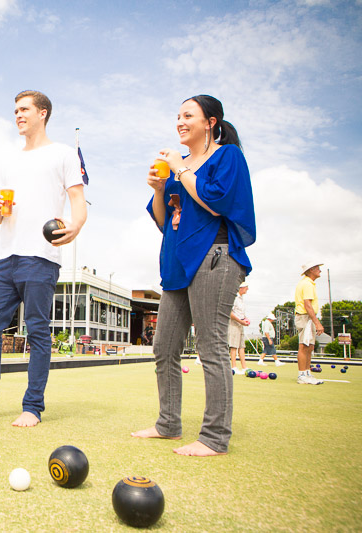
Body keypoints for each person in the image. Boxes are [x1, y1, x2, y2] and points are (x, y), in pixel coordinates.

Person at [0, 90, 87, 427]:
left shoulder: (64, 154)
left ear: (42, 113)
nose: (18, 115)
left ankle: (32, 407)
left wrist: (76, 226)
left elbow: (78, 201)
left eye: (24, 109)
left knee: (37, 331)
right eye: (15, 110)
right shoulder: (8, 161)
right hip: (5, 257)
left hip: (41, 256)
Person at [132, 95, 256, 457]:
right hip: (178, 263)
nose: (180, 122)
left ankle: (215, 437)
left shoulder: (227, 156)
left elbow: (214, 201)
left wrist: (181, 169)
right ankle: (168, 424)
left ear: (211, 122)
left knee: (211, 345)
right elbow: (162, 220)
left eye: (189, 115)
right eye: (178, 116)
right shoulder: (177, 167)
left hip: (215, 256)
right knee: (164, 347)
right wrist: (158, 189)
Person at [295, 261, 325, 385]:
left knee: (310, 346)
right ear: (311, 270)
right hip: (305, 317)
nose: (320, 270)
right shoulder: (307, 284)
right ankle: (302, 374)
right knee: (304, 346)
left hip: (308, 317)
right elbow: (307, 304)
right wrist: (317, 322)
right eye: (317, 268)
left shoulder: (309, 283)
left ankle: (307, 373)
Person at [228, 281, 250, 374]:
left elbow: (241, 313)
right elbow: (230, 313)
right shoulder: (234, 298)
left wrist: (245, 319)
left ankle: (244, 367)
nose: (247, 289)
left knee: (241, 346)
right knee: (234, 346)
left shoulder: (241, 299)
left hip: (241, 324)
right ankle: (234, 367)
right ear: (241, 288)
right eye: (246, 287)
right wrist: (240, 321)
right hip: (234, 324)